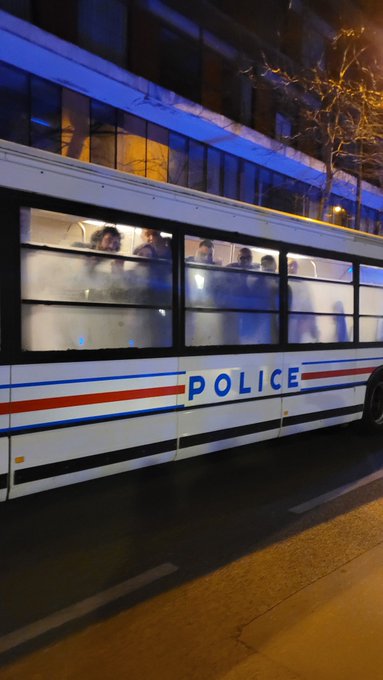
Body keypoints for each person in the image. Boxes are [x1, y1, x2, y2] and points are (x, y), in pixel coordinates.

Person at [288, 258, 319, 342]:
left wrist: (312, 326)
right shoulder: (280, 282)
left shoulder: (302, 285)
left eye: (294, 266)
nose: (292, 268)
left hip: (298, 323)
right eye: (290, 265)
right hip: (283, 321)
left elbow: (309, 307)